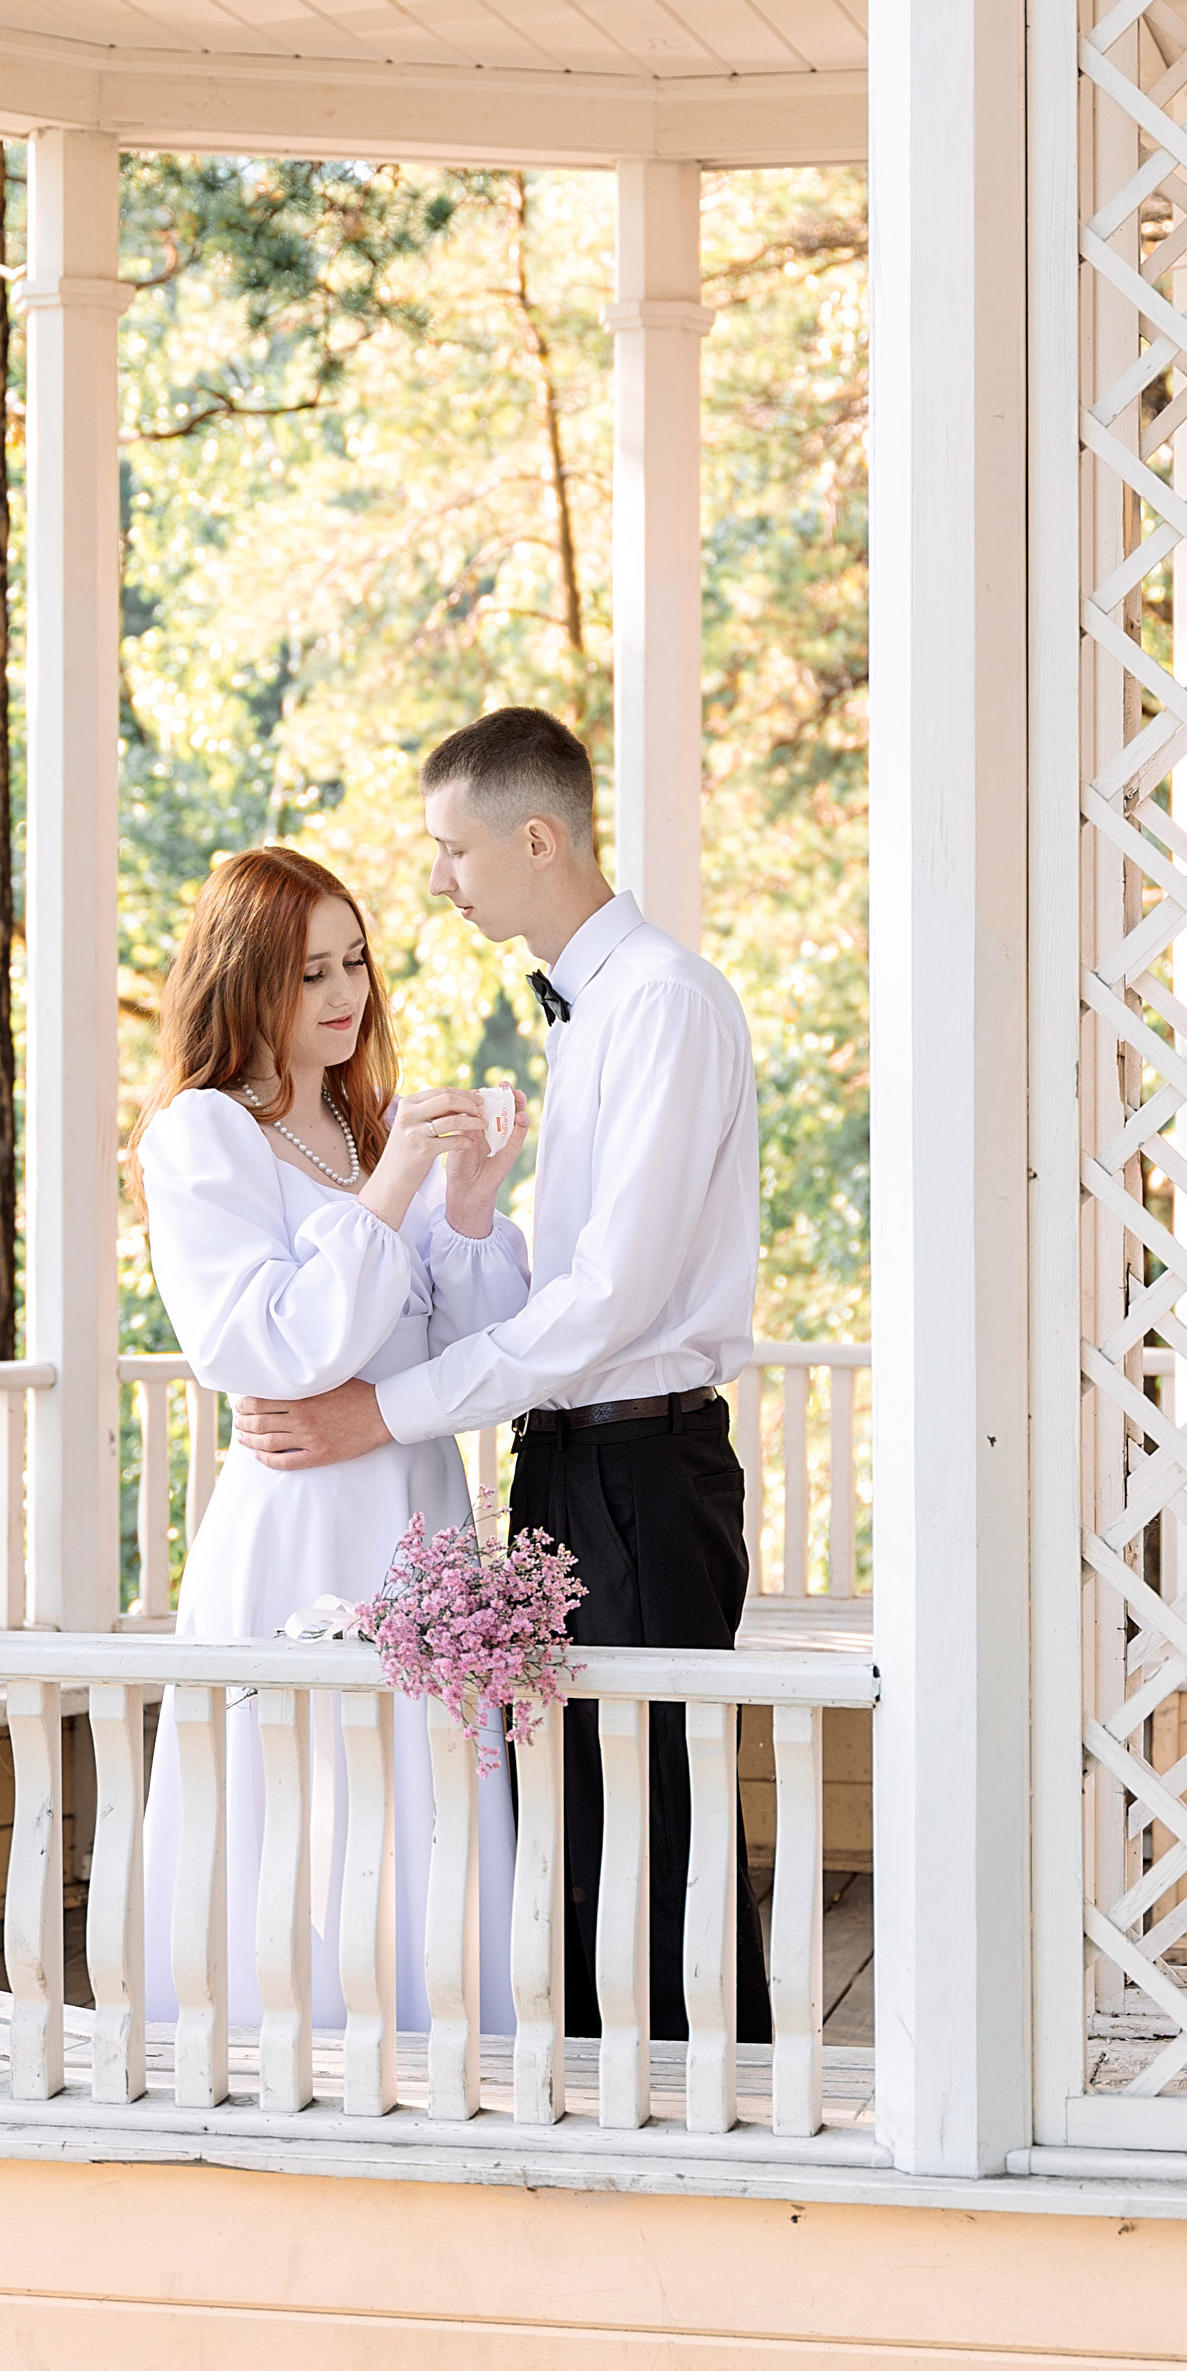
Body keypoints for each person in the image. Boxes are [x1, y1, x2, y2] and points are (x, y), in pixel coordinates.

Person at [233, 707, 771, 2053]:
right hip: (572, 1460)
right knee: (574, 1823)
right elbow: (560, 1294)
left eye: (452, 852)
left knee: (653, 1822)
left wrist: (384, 1410)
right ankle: (601, 2115)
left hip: (642, 1465)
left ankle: (715, 2126)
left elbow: (615, 1303)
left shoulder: (660, 1004)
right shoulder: (588, 1018)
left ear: (536, 838)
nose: (436, 882)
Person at [129, 842, 531, 2041]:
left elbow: (470, 1356)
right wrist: (397, 1176)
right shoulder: (202, 1137)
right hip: (299, 1526)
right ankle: (259, 2051)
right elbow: (269, 1344)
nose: (345, 993)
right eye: (310, 972)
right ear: (247, 978)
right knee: (290, 1801)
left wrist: (466, 1203)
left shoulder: (359, 1128)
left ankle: (448, 2037)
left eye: (355, 961)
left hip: (417, 1515)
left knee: (427, 1798)